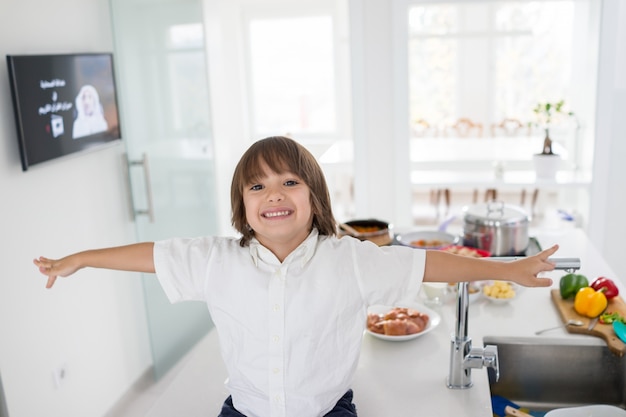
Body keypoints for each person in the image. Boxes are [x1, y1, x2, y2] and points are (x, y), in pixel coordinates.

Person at [34, 136, 558, 417]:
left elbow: (429, 263)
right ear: (242, 204)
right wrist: (78, 258)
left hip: (328, 412)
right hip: (245, 412)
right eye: (257, 187)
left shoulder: (349, 258)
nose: (274, 195)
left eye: (289, 181)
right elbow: (149, 254)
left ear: (315, 197)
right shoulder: (216, 260)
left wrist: (508, 268)